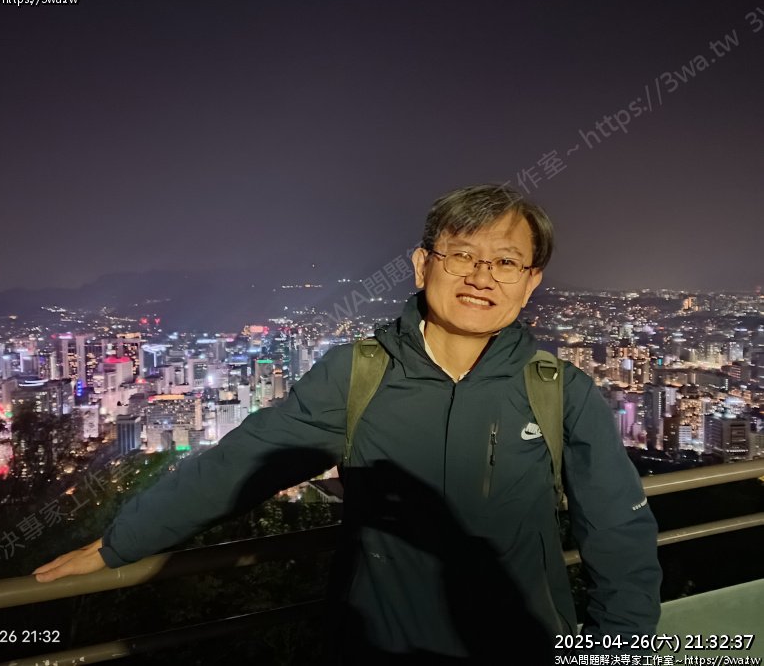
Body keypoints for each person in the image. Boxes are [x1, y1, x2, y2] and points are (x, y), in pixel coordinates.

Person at [34, 184, 661, 663]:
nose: (480, 276)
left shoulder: (558, 390)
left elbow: (618, 534)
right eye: (462, 255)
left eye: (505, 262)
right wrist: (122, 541)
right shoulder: (358, 374)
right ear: (422, 265)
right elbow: (243, 463)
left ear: (530, 282)